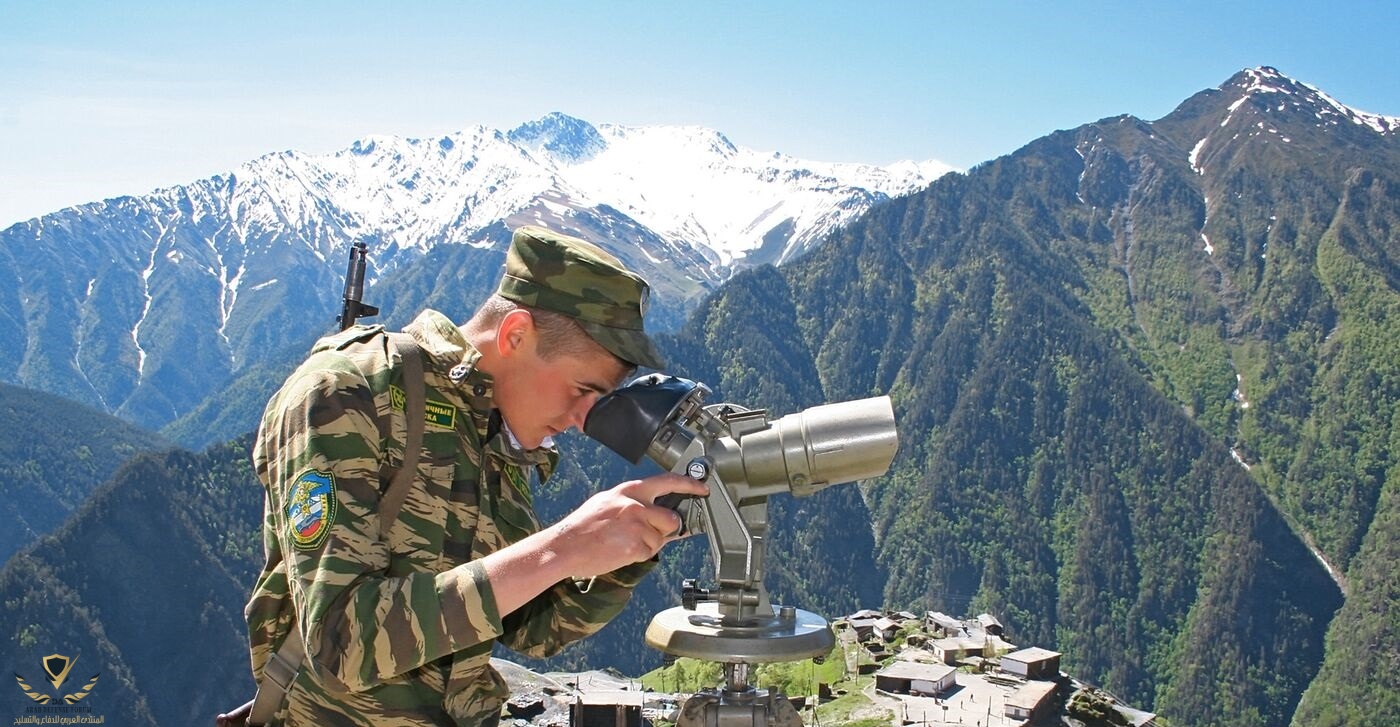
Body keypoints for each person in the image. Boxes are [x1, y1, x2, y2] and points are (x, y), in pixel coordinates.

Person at [231, 225, 706, 726]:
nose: (582, 419)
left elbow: (535, 628)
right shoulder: (346, 391)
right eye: (582, 390)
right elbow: (339, 642)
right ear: (515, 334)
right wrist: (562, 547)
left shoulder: (495, 425)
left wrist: (638, 536)